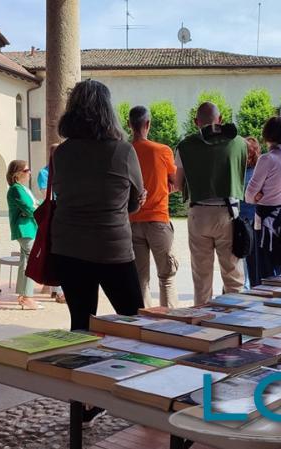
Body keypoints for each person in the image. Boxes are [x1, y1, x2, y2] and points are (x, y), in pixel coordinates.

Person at [51, 80, 146, 330]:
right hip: (111, 246)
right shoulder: (123, 152)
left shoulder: (60, 153)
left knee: (81, 324)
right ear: (108, 110)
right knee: (134, 320)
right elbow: (134, 205)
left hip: (68, 246)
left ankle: (79, 367)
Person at [175, 102, 247, 305]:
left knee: (201, 278)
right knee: (233, 277)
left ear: (196, 122)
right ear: (221, 119)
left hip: (199, 213)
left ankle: (201, 323)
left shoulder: (185, 146)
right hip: (228, 213)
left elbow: (179, 184)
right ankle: (236, 323)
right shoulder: (240, 143)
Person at [127, 105, 179, 308]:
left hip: (133, 220)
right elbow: (176, 181)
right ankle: (170, 322)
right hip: (158, 219)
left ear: (129, 125)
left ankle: (144, 322)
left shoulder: (125, 150)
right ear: (148, 124)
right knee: (166, 276)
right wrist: (163, 188)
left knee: (141, 279)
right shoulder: (162, 150)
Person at [244, 116, 281, 281]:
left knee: (266, 276)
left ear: (267, 133)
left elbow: (249, 196)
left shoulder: (266, 159)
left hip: (267, 222)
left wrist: (259, 195)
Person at [6, 160, 43, 310]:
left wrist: (35, 207)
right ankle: (27, 297)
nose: (29, 173)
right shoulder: (16, 189)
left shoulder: (22, 188)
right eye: (27, 170)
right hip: (24, 229)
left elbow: (36, 204)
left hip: (28, 227)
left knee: (25, 262)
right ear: (18, 173)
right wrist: (34, 208)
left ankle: (23, 296)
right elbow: (30, 208)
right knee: (31, 262)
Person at [37, 143, 65, 303]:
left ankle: (56, 289)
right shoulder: (44, 173)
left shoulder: (64, 170)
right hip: (55, 215)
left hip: (61, 214)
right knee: (55, 252)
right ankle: (58, 290)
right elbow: (44, 194)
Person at [240, 137, 261, 288]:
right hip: (246, 220)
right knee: (246, 260)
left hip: (250, 220)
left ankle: (248, 288)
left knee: (248, 259)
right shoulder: (252, 171)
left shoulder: (253, 172)